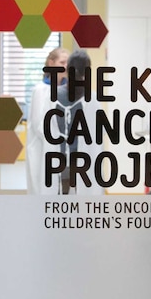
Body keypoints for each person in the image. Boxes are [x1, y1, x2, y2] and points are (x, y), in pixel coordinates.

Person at [53, 49, 104, 195]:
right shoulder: (92, 98)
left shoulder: (54, 95)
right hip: (82, 163)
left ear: (68, 69)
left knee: (59, 203)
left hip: (59, 160)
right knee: (82, 206)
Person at [26, 47, 68, 194]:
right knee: (45, 190)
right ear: (51, 63)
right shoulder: (41, 90)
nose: (66, 66)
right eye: (62, 62)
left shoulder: (70, 89)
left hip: (66, 150)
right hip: (45, 148)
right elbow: (39, 125)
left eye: (68, 63)